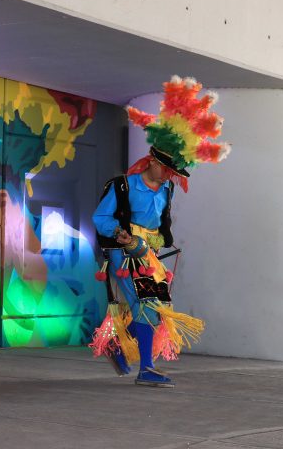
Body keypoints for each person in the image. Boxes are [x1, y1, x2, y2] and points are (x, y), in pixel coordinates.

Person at [90, 75, 230, 387]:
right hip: (124, 255)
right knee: (146, 304)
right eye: (167, 169)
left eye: (174, 173)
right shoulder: (123, 185)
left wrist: (154, 241)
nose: (170, 176)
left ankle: (122, 348)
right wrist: (121, 235)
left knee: (152, 305)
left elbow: (163, 228)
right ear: (152, 160)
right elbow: (100, 218)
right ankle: (143, 367)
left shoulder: (166, 192)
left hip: (147, 253)